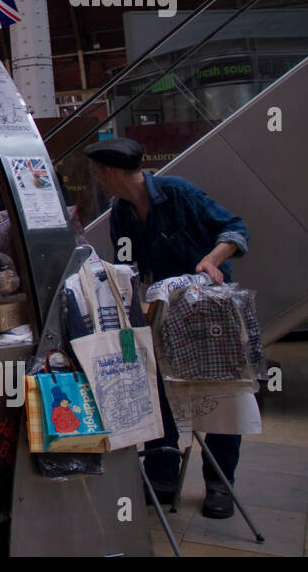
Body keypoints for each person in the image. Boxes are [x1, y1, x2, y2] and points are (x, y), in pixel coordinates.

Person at [85, 137, 250, 519]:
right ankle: (162, 476)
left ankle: (220, 484)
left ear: (109, 172)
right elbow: (128, 268)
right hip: (166, 312)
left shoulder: (178, 193)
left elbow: (235, 228)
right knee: (156, 390)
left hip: (209, 312)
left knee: (218, 398)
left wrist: (211, 259)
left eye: (96, 174)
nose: (97, 181)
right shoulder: (121, 214)